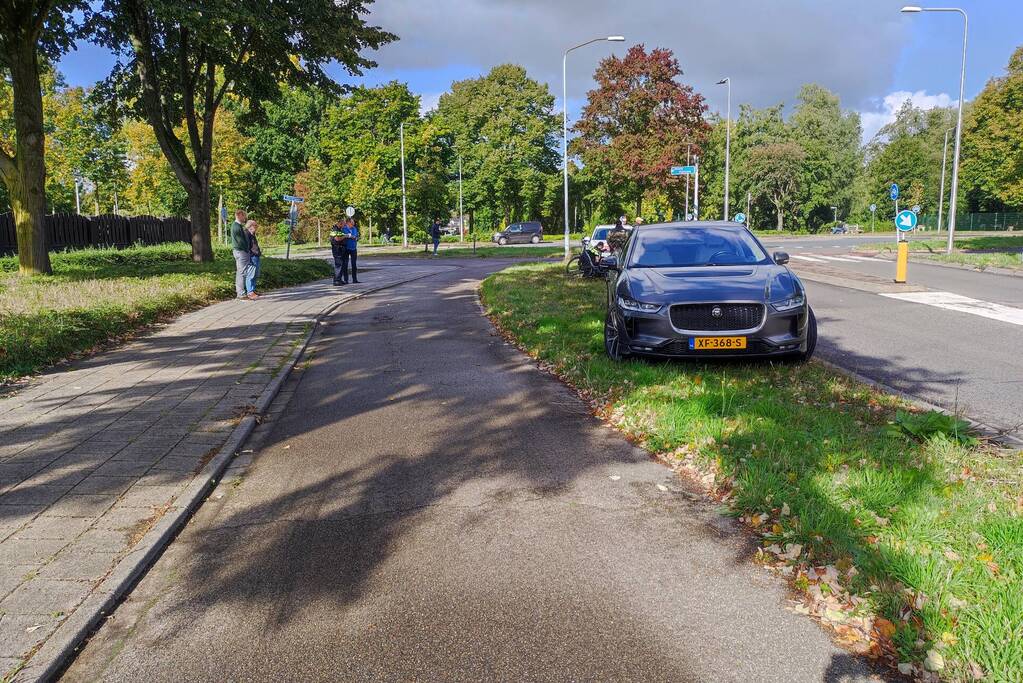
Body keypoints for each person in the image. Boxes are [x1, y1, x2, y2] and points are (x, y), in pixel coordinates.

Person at [230, 209, 250, 300]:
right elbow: (241, 241)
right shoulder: (237, 226)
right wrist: (246, 250)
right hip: (241, 252)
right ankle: (241, 293)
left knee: (240, 272)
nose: (245, 218)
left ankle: (240, 292)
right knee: (242, 273)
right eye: (244, 216)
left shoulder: (235, 225)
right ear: (239, 215)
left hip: (238, 251)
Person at [244, 220, 261, 299]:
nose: (256, 228)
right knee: (250, 275)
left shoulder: (252, 234)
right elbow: (246, 247)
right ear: (250, 226)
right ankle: (250, 292)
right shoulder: (246, 234)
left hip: (256, 256)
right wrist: (249, 257)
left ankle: (253, 290)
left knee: (255, 275)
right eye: (255, 226)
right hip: (251, 256)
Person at [341, 217, 360, 284]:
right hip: (346, 248)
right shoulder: (344, 228)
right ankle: (346, 280)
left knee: (354, 264)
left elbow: (357, 236)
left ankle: (354, 279)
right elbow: (342, 236)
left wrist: (356, 238)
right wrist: (350, 236)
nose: (353, 224)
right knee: (345, 264)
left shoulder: (354, 228)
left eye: (353, 223)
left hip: (353, 248)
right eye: (352, 223)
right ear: (348, 223)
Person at [329, 220, 347, 285]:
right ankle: (336, 281)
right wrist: (345, 236)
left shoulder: (339, 229)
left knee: (341, 264)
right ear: (340, 224)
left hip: (340, 248)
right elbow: (337, 239)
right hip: (337, 248)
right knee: (338, 264)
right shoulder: (335, 229)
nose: (344, 226)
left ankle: (339, 279)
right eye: (344, 225)